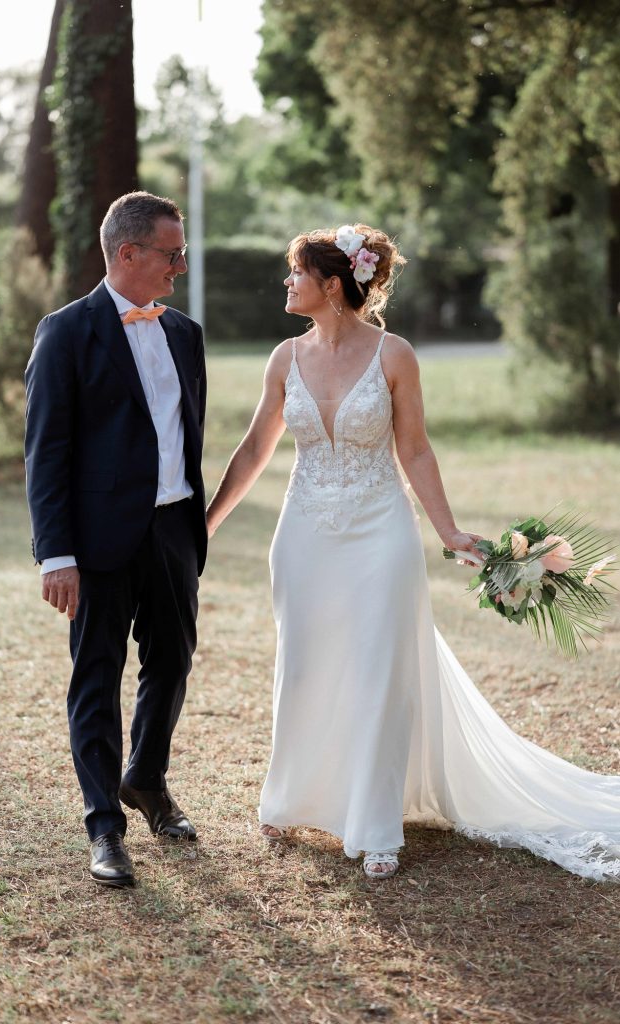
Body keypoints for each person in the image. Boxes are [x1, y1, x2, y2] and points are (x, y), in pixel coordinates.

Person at [205, 223, 620, 881]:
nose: (286, 282)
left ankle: (374, 828)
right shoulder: (284, 358)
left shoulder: (394, 354)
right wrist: (207, 525)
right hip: (304, 535)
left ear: (332, 284)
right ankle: (292, 797)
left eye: (296, 273)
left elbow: (414, 449)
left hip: (380, 532)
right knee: (306, 664)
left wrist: (449, 530)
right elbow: (255, 448)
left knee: (376, 671)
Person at [25, 191, 207, 888]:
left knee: (173, 662)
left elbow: (182, 439)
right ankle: (105, 825)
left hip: (172, 529)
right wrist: (57, 554)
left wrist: (191, 526)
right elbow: (46, 451)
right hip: (97, 542)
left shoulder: (185, 334)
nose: (179, 266)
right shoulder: (66, 333)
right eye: (171, 253)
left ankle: (147, 779)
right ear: (126, 253)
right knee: (95, 679)